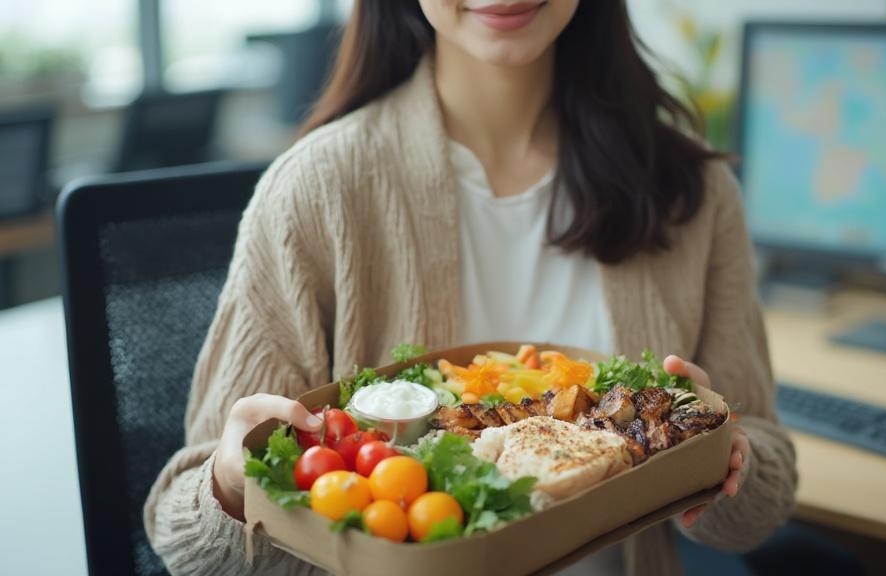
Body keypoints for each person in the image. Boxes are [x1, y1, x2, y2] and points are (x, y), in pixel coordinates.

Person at [144, 1, 797, 574]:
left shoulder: (695, 191)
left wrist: (716, 460)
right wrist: (233, 485)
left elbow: (759, 501)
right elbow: (189, 543)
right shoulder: (313, 194)